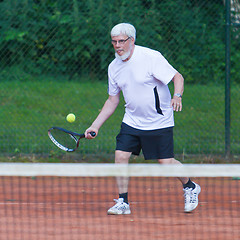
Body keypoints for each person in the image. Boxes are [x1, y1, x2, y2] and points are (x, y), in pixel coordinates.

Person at [85, 23, 201, 214]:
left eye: (121, 41)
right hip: (132, 120)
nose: (117, 45)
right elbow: (112, 100)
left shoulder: (150, 57)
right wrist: (95, 125)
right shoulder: (114, 67)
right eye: (114, 42)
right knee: (121, 156)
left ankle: (190, 186)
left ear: (132, 40)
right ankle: (123, 202)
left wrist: (177, 96)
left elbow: (177, 77)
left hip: (159, 121)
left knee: (166, 163)